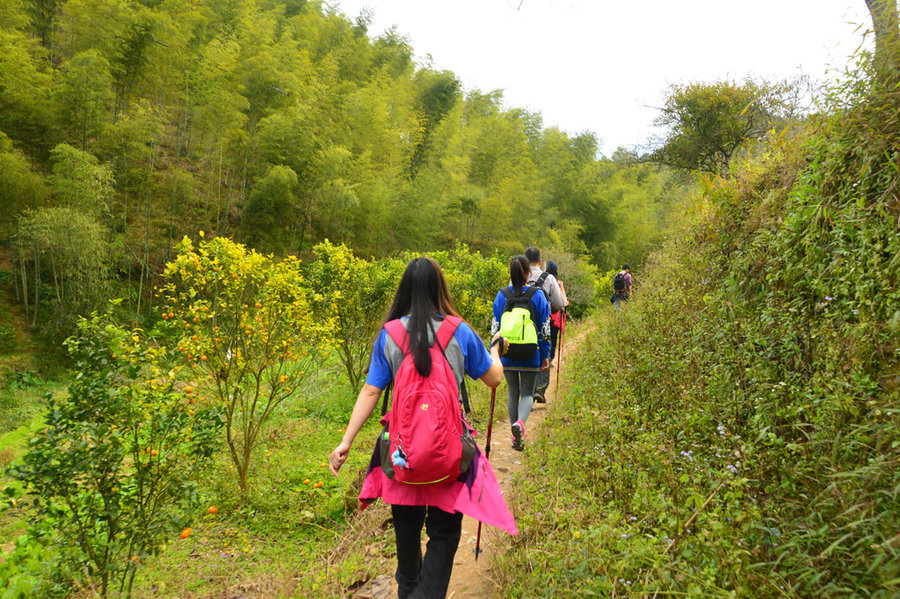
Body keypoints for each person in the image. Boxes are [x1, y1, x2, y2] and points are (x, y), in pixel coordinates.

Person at [329, 257, 517, 599]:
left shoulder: (390, 335)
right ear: (438, 288)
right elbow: (493, 379)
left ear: (405, 291)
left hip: (402, 456)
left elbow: (371, 390)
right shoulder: (459, 330)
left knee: (407, 541)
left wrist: (345, 442)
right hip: (451, 456)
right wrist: (495, 351)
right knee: (444, 536)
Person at [492, 255, 551, 451]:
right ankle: (521, 425)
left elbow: (495, 327)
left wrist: (495, 352)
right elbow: (545, 328)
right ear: (527, 274)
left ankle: (513, 432)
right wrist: (545, 354)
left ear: (512, 273)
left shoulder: (502, 295)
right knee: (527, 393)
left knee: (512, 393)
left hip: (507, 352)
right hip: (530, 352)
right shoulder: (537, 295)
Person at [523, 247, 565, 402]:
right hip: (544, 324)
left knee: (526, 352)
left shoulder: (519, 275)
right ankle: (539, 389)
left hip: (522, 325)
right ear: (540, 261)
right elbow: (560, 303)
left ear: (525, 261)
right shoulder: (548, 278)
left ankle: (527, 389)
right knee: (544, 353)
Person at [544, 261, 568, 365]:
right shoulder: (557, 283)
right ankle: (550, 358)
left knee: (544, 338)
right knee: (553, 339)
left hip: (544, 316)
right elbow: (564, 302)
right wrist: (562, 288)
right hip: (555, 318)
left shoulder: (541, 281)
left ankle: (545, 357)